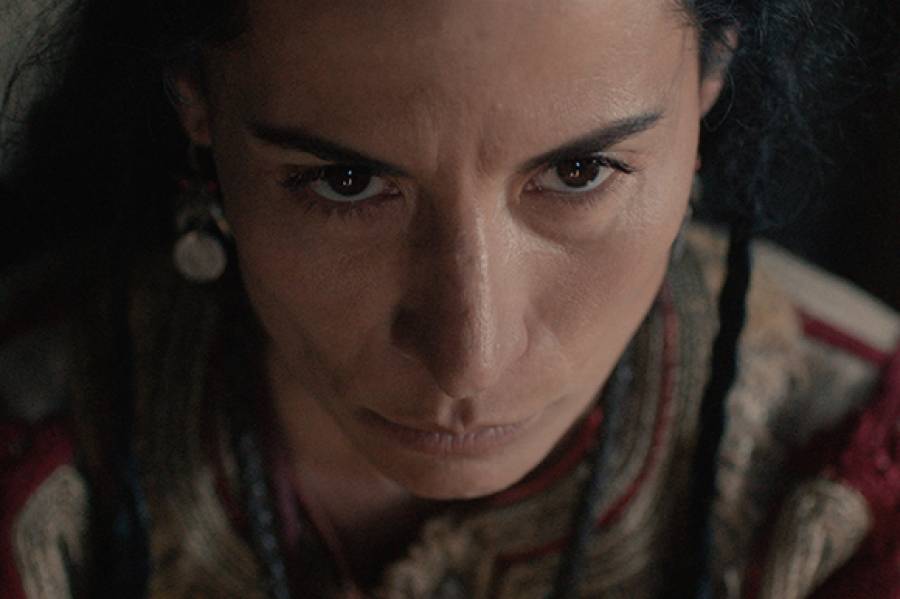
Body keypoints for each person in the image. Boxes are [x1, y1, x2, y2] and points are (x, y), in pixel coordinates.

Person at [0, 1, 897, 598]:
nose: (470, 356)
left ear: (710, 77)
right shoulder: (31, 451)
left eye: (579, 172)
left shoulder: (854, 488)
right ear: (194, 96)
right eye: (347, 182)